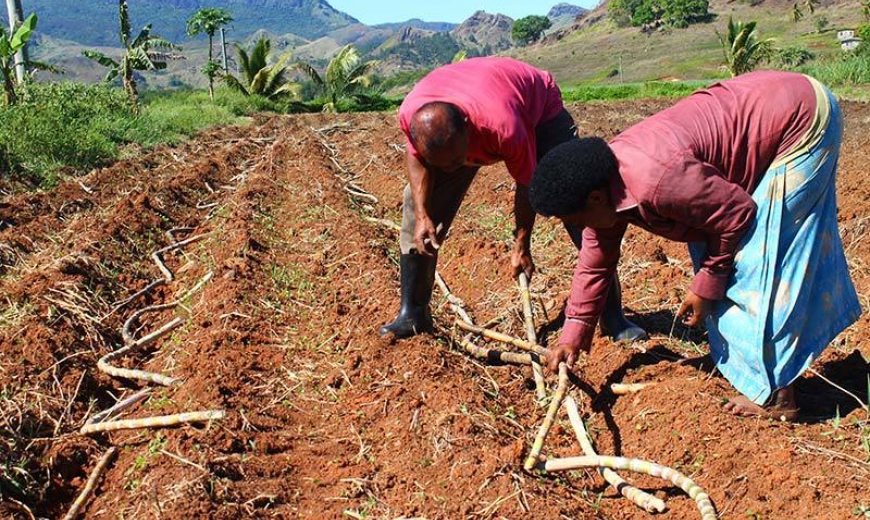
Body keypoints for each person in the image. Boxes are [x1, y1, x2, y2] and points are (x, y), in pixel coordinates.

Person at [529, 71, 861, 421]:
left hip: (802, 120)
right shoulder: (604, 184)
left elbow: (736, 214)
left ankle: (778, 396)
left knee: (758, 260)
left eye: (578, 218)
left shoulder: (657, 181)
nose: (580, 227)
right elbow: (594, 263)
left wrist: (707, 282)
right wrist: (573, 335)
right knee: (713, 251)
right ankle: (748, 367)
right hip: (766, 111)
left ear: (595, 199)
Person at [380, 56, 647, 343]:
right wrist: (423, 215)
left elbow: (527, 184)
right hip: (472, 106)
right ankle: (413, 313)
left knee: (579, 199)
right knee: (416, 214)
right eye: (444, 164)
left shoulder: (503, 125)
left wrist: (522, 244)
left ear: (469, 129)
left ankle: (612, 317)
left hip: (538, 109)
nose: (454, 170)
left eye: (459, 160)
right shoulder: (414, 115)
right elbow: (417, 158)